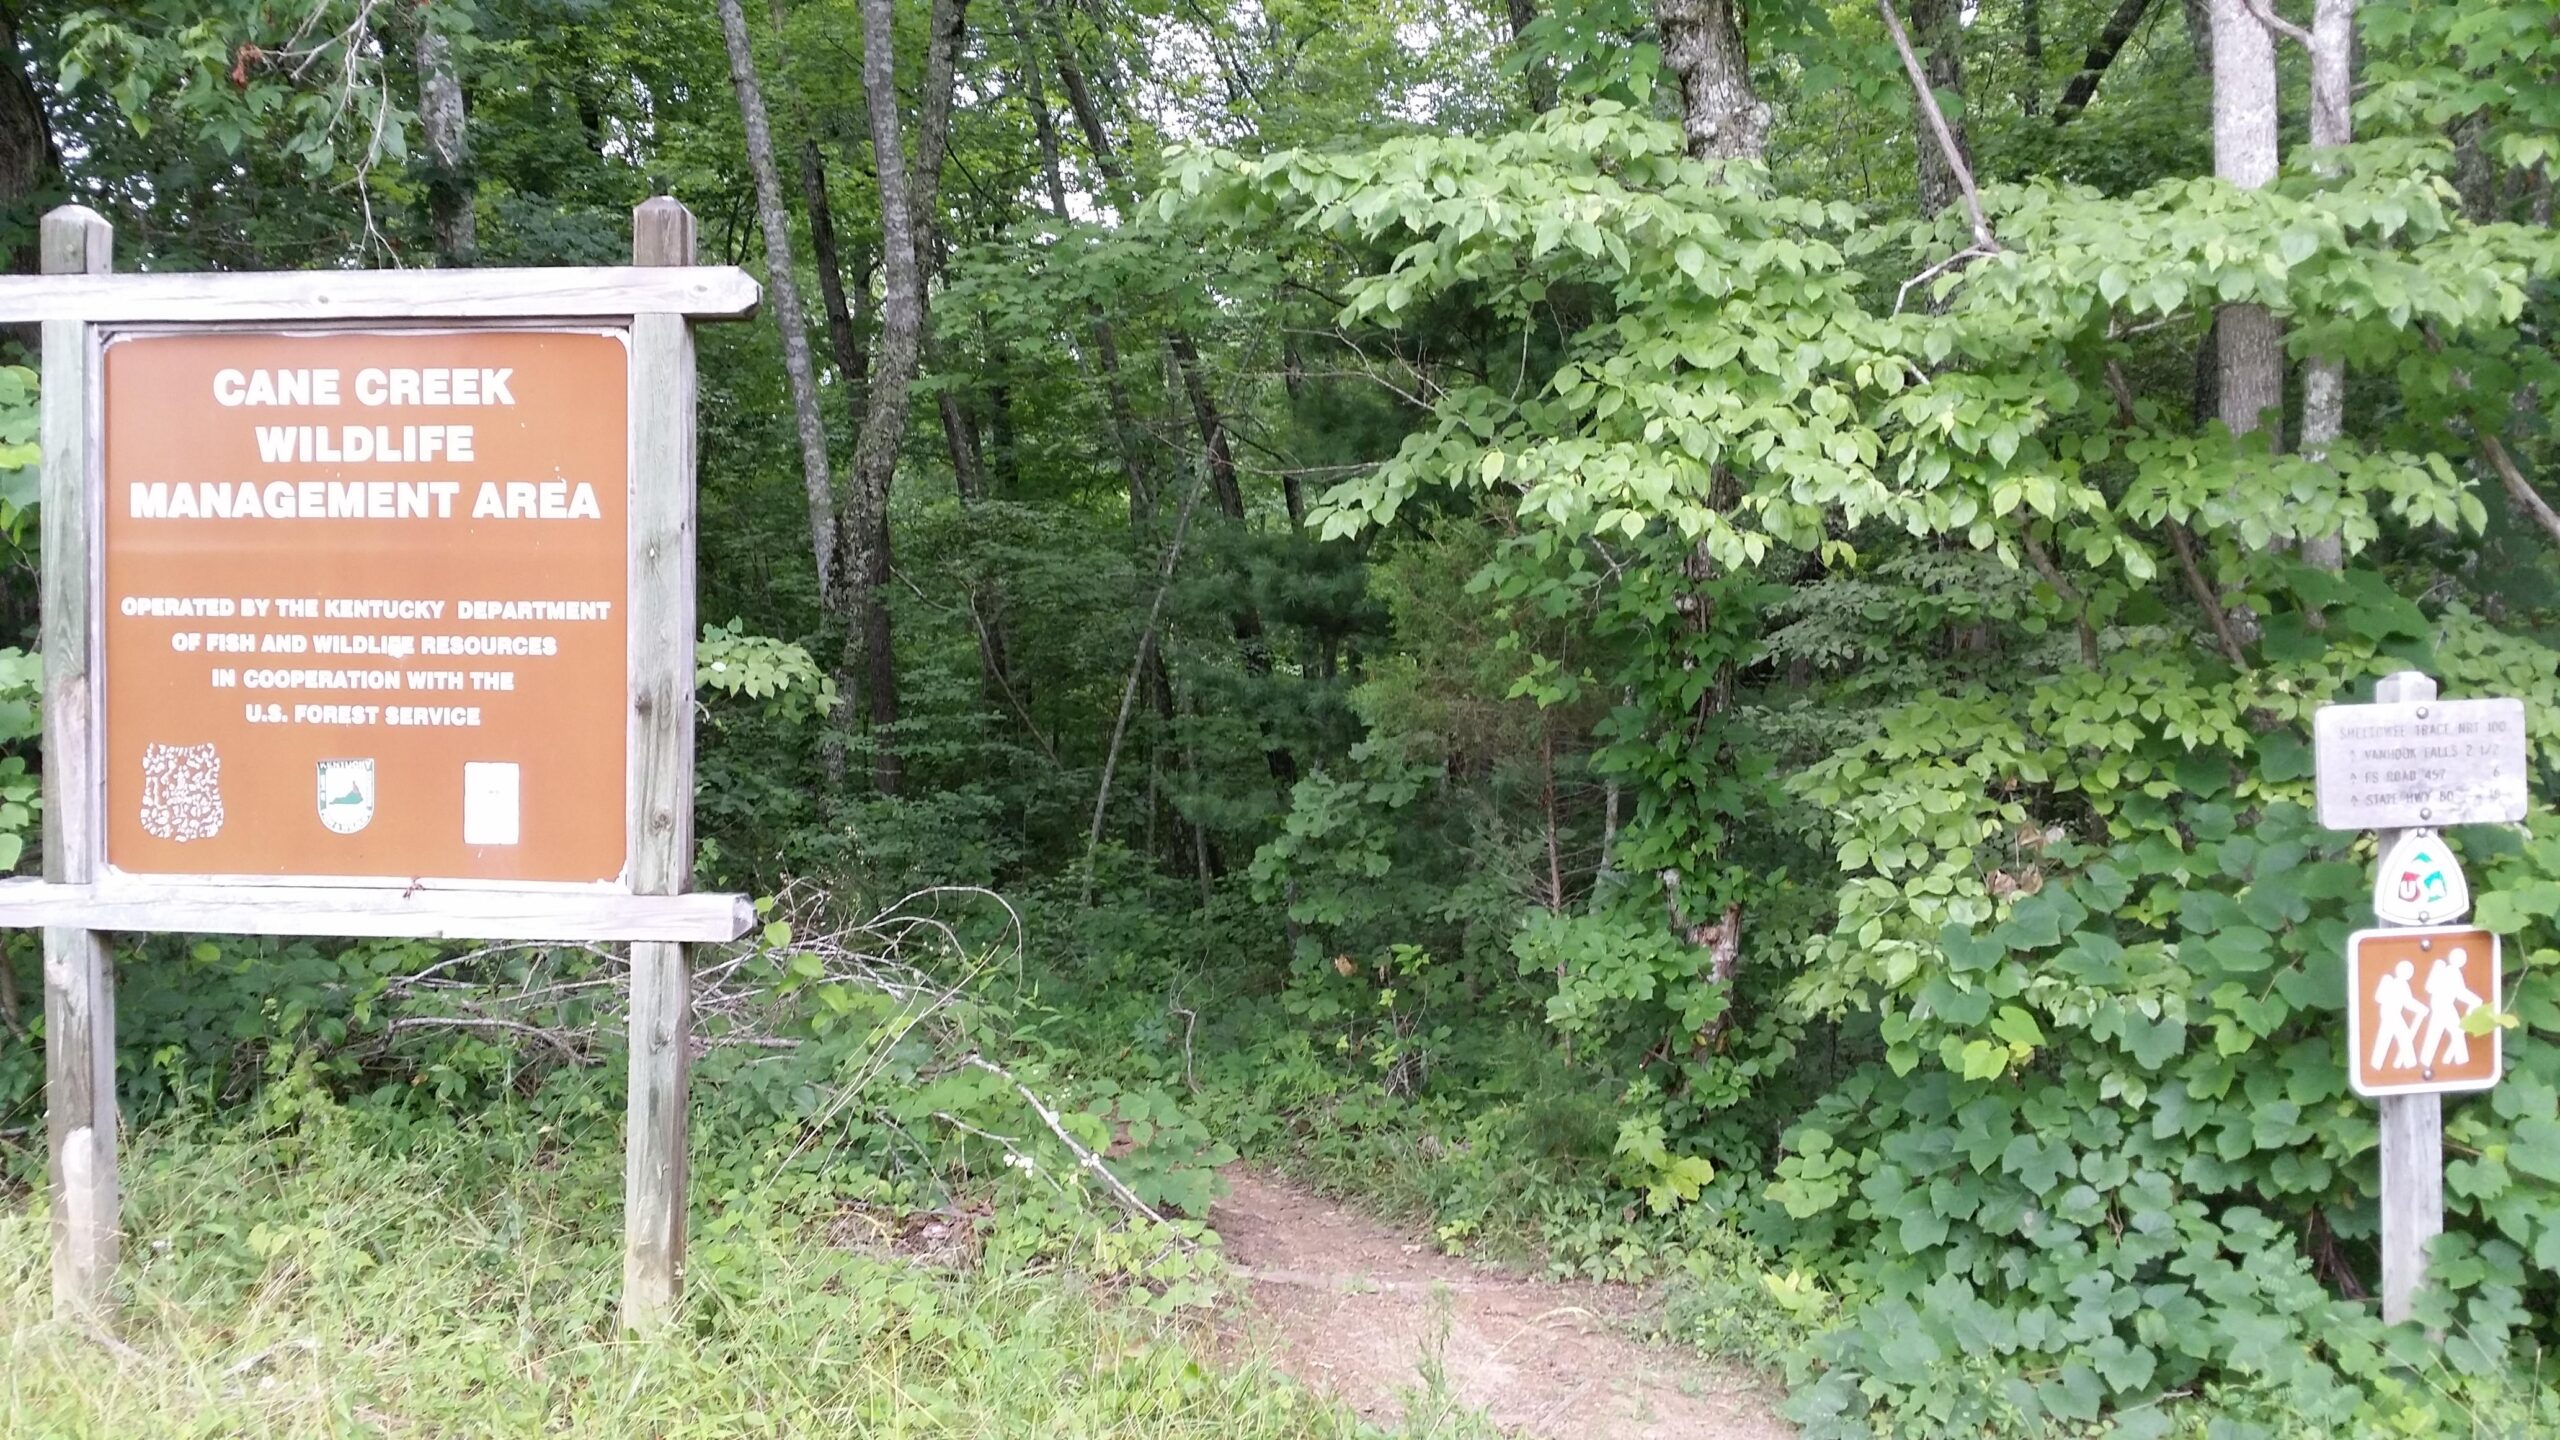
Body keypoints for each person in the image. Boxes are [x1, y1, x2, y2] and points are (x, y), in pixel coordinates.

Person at [2419, 948, 2484, 1070]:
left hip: (2439, 1005)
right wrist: (2473, 999)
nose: (2462, 961)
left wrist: (2473, 999)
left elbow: (2459, 992)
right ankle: (2462, 1062)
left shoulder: (2450, 971)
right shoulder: (2452, 972)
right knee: (2456, 1031)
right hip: (2444, 1005)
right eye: (2461, 958)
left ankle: (2425, 1060)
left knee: (2436, 1032)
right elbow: (2460, 992)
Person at [2370, 959, 2425, 1072]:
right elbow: (2407, 1002)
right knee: (2402, 1036)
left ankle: (2377, 1064)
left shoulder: (2403, 984)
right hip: (2391, 1013)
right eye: (2408, 971)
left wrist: (2420, 1008)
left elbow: (2408, 1002)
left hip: (2392, 1013)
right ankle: (2410, 1065)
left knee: (2388, 1037)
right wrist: (2420, 1008)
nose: (2410, 974)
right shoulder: (2393, 982)